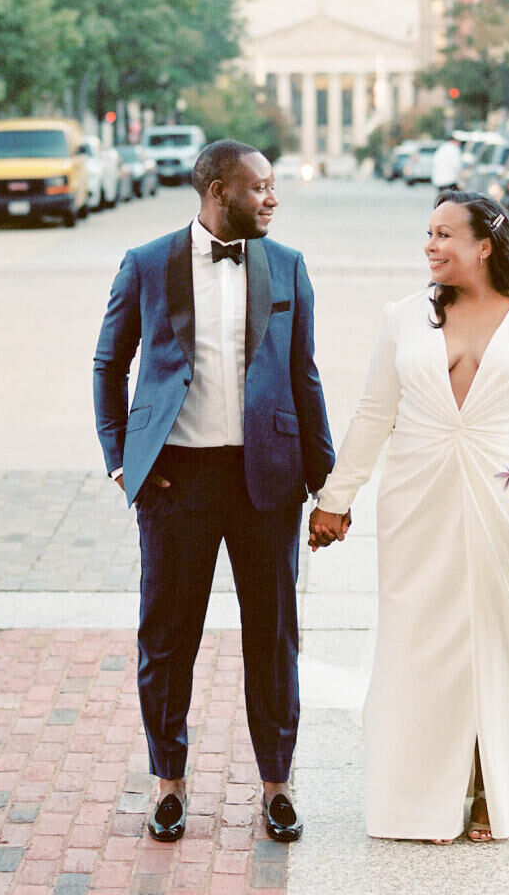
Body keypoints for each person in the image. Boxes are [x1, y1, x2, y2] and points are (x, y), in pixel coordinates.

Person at [308, 191, 509, 844]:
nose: (430, 245)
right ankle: (424, 797)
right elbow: (372, 415)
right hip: (417, 501)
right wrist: (336, 499)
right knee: (421, 648)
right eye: (427, 233)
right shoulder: (402, 317)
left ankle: (491, 793)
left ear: (485, 245)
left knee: (504, 645)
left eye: (445, 234)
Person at [93, 139, 335, 844]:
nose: (272, 198)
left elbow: (305, 374)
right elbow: (110, 366)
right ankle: (168, 784)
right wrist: (122, 462)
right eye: (260, 186)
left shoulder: (286, 265)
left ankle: (277, 786)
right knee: (168, 639)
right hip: (177, 484)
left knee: (274, 637)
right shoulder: (146, 264)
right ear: (218, 190)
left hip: (268, 480)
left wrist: (325, 485)